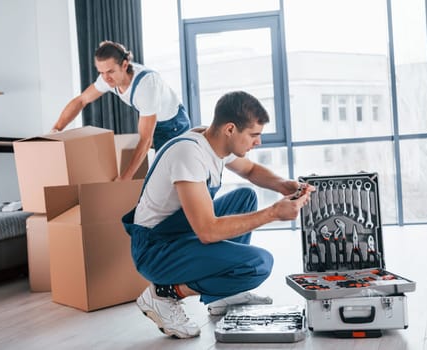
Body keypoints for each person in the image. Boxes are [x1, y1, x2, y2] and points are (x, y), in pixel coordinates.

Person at [122, 91, 314, 339]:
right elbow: (208, 231)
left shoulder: (210, 139)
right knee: (258, 264)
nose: (259, 142)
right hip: (156, 250)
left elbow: (252, 170)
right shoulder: (189, 154)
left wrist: (283, 185)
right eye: (254, 135)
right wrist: (274, 213)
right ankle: (165, 293)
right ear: (231, 129)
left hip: (177, 233)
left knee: (245, 197)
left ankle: (225, 295)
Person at [51, 40, 191, 180]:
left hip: (172, 124)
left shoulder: (146, 85)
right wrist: (56, 130)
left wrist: (125, 178)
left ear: (124, 65)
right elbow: (81, 100)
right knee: (162, 177)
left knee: (177, 176)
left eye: (110, 71)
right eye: (101, 72)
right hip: (153, 120)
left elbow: (145, 140)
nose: (106, 78)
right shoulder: (107, 78)